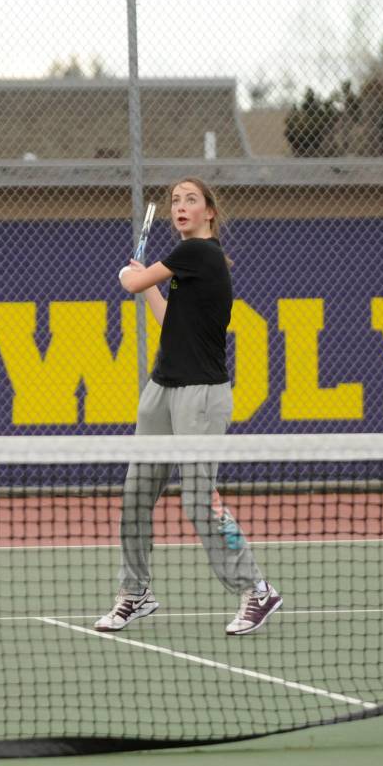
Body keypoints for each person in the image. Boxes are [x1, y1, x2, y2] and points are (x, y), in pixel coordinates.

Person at [94, 178, 283, 637]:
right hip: (161, 390)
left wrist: (131, 278)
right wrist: (147, 285)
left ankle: (256, 589)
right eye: (176, 201)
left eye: (190, 200)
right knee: (137, 495)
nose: (180, 207)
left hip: (201, 396)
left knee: (200, 500)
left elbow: (130, 282)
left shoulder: (199, 253)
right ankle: (135, 592)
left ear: (209, 213)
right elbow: (169, 322)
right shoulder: (185, 265)